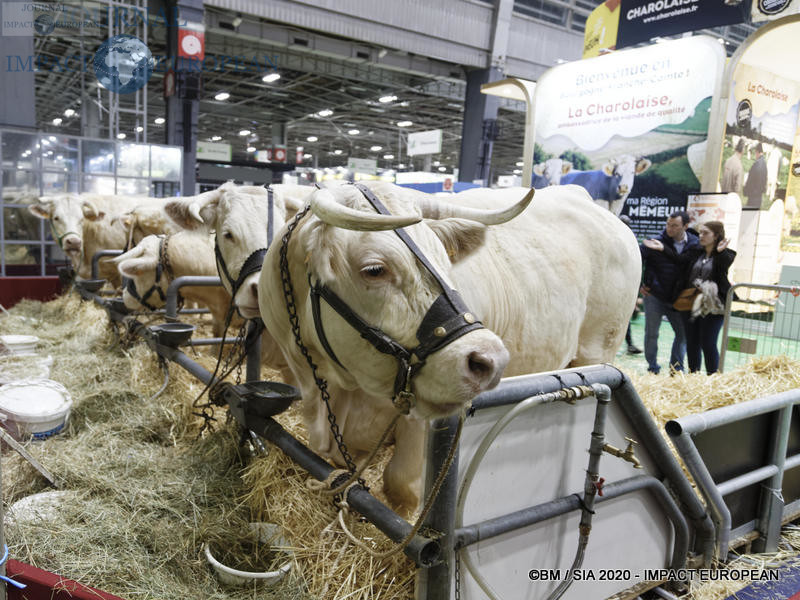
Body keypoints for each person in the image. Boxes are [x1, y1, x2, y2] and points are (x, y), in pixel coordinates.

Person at [643, 221, 735, 374]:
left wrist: (719, 252)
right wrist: (662, 248)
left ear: (716, 236)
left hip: (713, 305)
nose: (701, 236)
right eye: (700, 232)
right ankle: (694, 375)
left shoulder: (725, 254)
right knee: (692, 342)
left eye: (706, 233)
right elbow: (679, 260)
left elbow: (723, 266)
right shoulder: (695, 251)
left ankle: (714, 377)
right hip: (690, 303)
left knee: (708, 343)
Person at [639, 211, 699, 374]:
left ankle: (676, 368)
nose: (670, 228)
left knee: (682, 334)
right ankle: (653, 367)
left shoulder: (694, 244)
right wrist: (640, 285)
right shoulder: (654, 242)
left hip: (679, 299)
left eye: (675, 226)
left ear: (685, 226)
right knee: (651, 333)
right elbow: (637, 258)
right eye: (668, 224)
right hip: (655, 296)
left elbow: (685, 262)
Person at [619, 214, 642, 354]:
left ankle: (629, 344)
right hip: (615, 286)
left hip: (622, 286)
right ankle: (629, 344)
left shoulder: (629, 244)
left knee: (623, 319)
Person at [743, 142, 767, 208]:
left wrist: (745, 191)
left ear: (757, 152)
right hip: (759, 197)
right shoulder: (765, 164)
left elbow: (750, 180)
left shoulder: (756, 164)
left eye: (755, 153)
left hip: (753, 197)